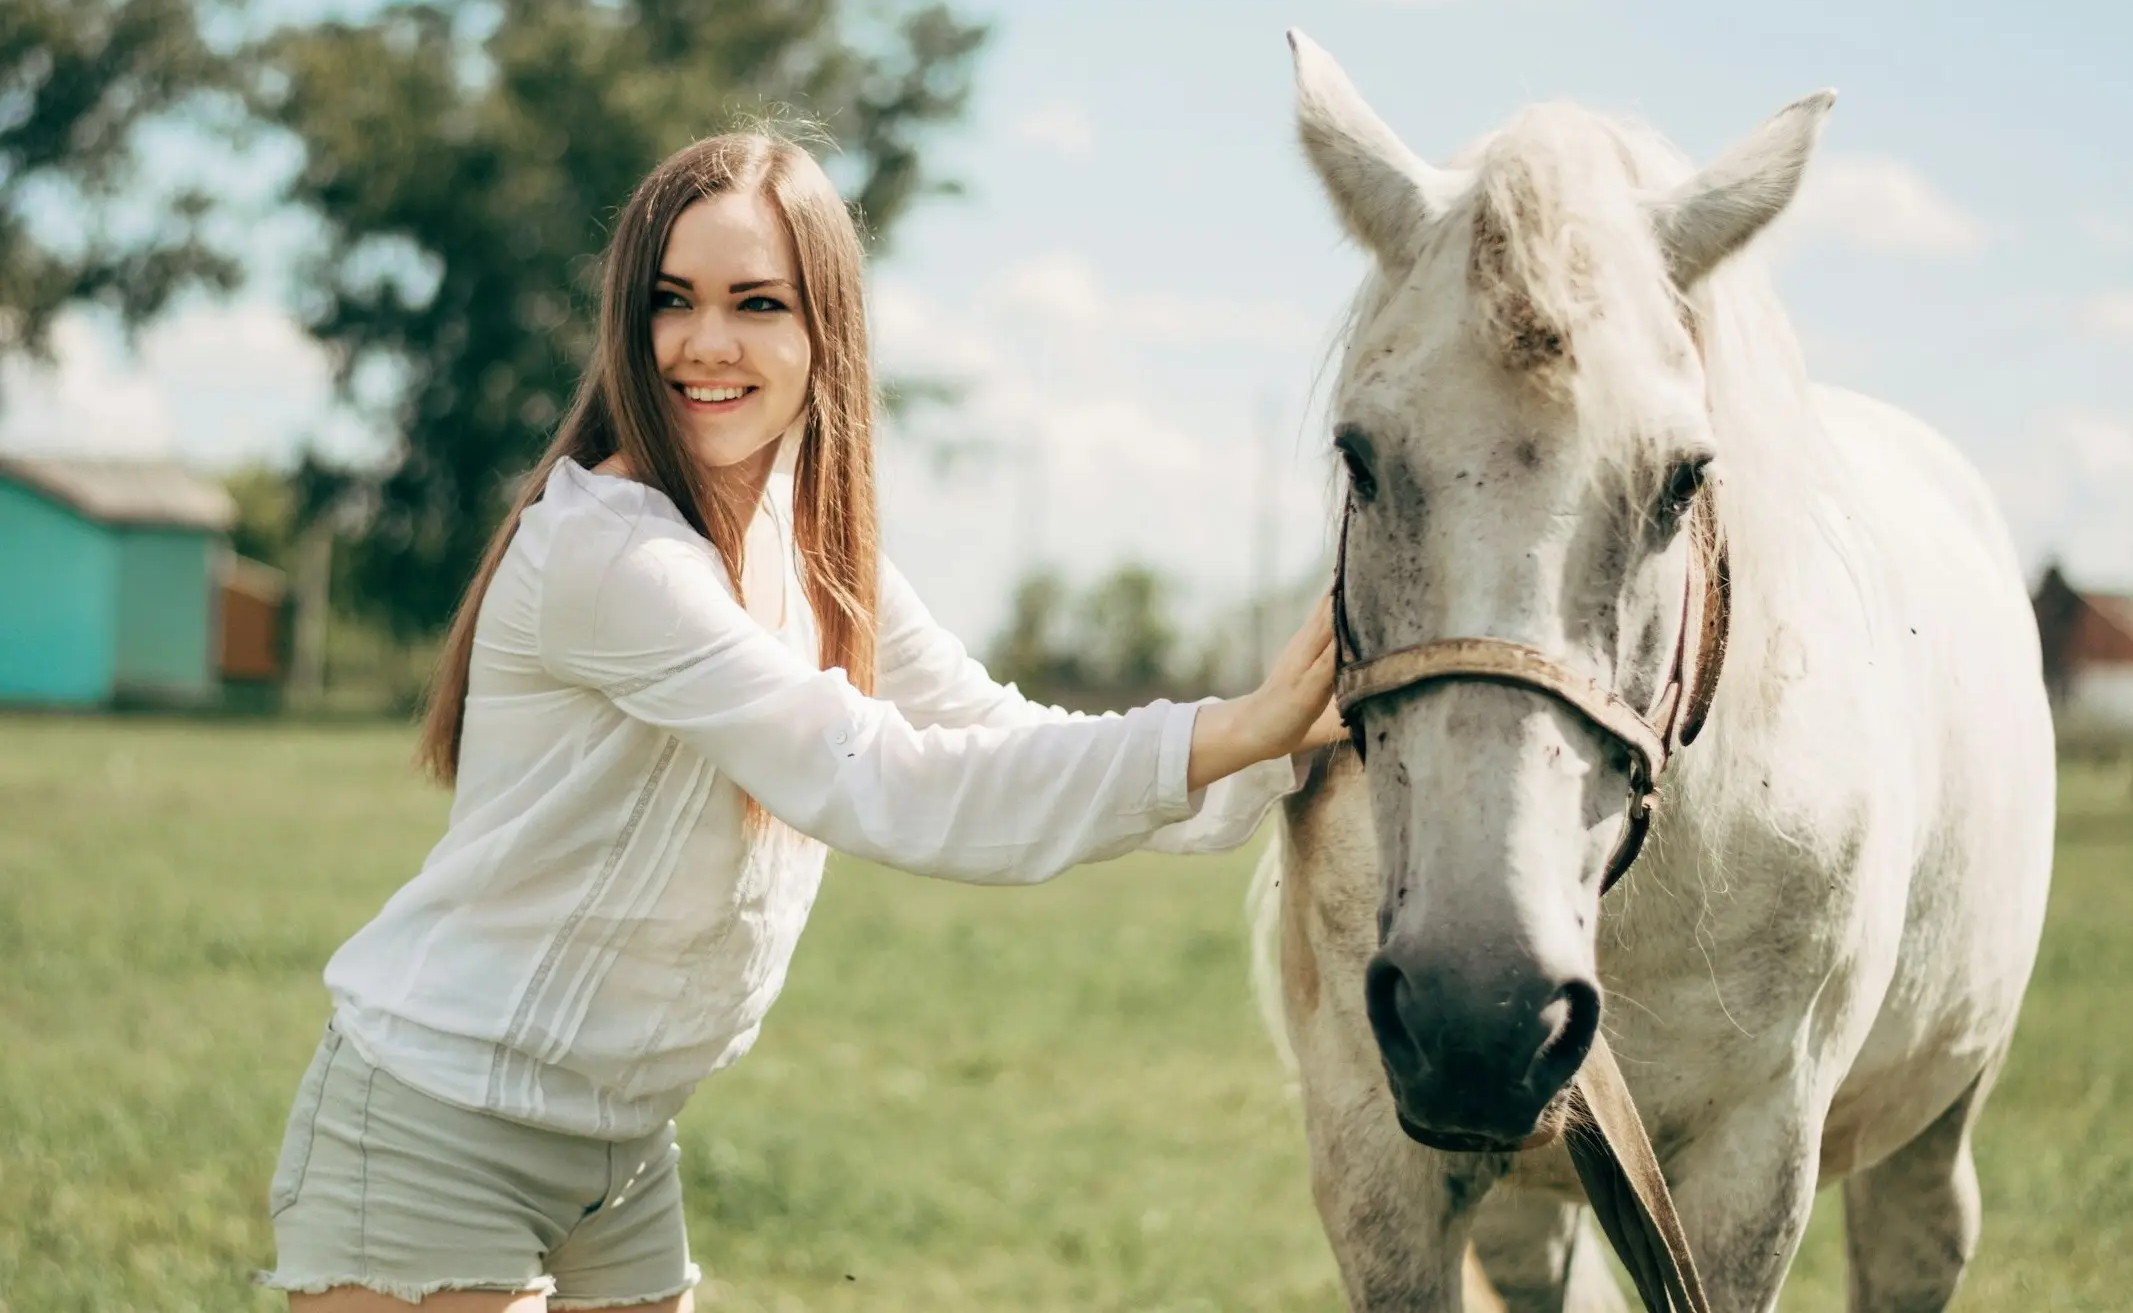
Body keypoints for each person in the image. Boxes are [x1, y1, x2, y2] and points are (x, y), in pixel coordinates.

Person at [261, 132, 1339, 1312]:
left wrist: (1277, 747)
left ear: (826, 329)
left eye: (756, 303)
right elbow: (884, 779)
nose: (705, 342)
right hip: (438, 1125)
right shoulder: (609, 550)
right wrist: (1239, 726)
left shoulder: (822, 546)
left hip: (619, 1148)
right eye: (673, 301)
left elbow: (993, 732)